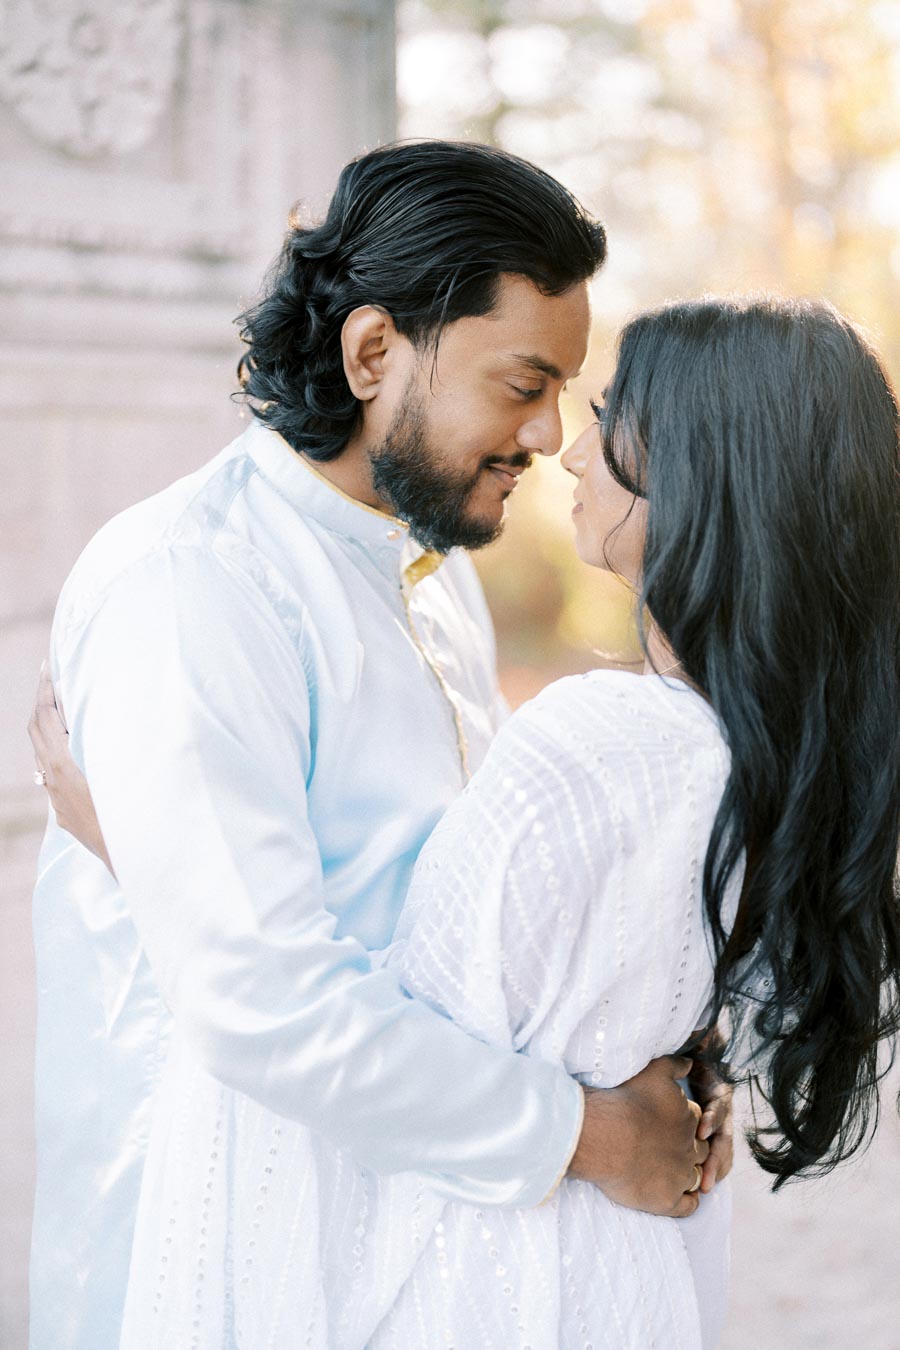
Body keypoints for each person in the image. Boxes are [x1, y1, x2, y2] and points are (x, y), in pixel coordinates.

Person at [26, 141, 727, 1350]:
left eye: (567, 388)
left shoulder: (431, 571)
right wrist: (596, 1136)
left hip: (395, 1234)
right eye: (522, 384)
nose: (553, 434)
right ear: (370, 353)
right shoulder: (195, 587)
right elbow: (268, 1010)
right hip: (208, 1263)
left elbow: (472, 911)